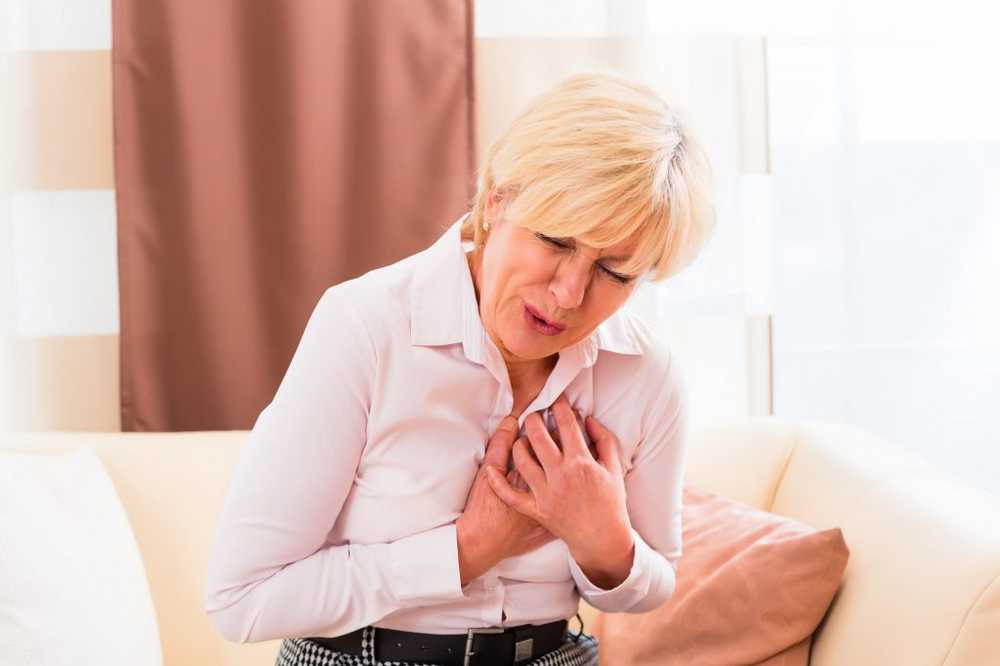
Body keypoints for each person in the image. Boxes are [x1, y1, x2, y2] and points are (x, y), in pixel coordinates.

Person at [204, 70, 715, 666]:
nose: (571, 294)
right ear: (496, 198)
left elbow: (654, 583)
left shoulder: (647, 374)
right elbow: (243, 600)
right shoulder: (366, 327)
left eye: (616, 273)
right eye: (556, 240)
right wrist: (466, 550)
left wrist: (607, 541)